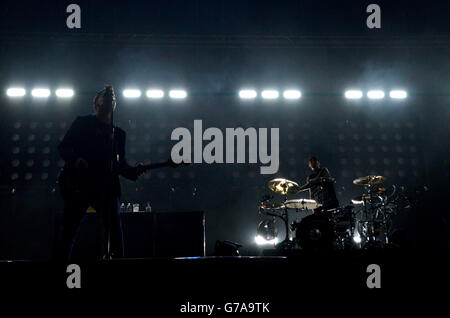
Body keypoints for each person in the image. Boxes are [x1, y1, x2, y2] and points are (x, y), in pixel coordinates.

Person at [55, 85, 145, 261]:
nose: (110, 100)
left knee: (115, 232)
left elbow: (120, 165)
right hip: (79, 186)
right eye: (105, 97)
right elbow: (64, 147)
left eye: (112, 99)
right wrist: (76, 160)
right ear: (96, 104)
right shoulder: (82, 123)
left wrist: (134, 171)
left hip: (105, 188)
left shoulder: (118, 134)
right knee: (69, 231)